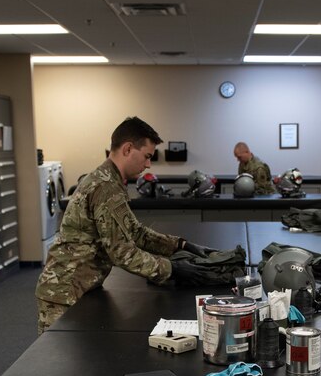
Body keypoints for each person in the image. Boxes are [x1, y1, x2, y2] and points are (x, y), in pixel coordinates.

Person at [35, 117, 213, 333]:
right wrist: (172, 269)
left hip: (79, 286)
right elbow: (122, 252)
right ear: (128, 149)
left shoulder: (110, 181)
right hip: (63, 293)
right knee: (59, 355)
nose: (148, 164)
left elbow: (135, 232)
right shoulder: (106, 187)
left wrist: (180, 245)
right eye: (147, 156)